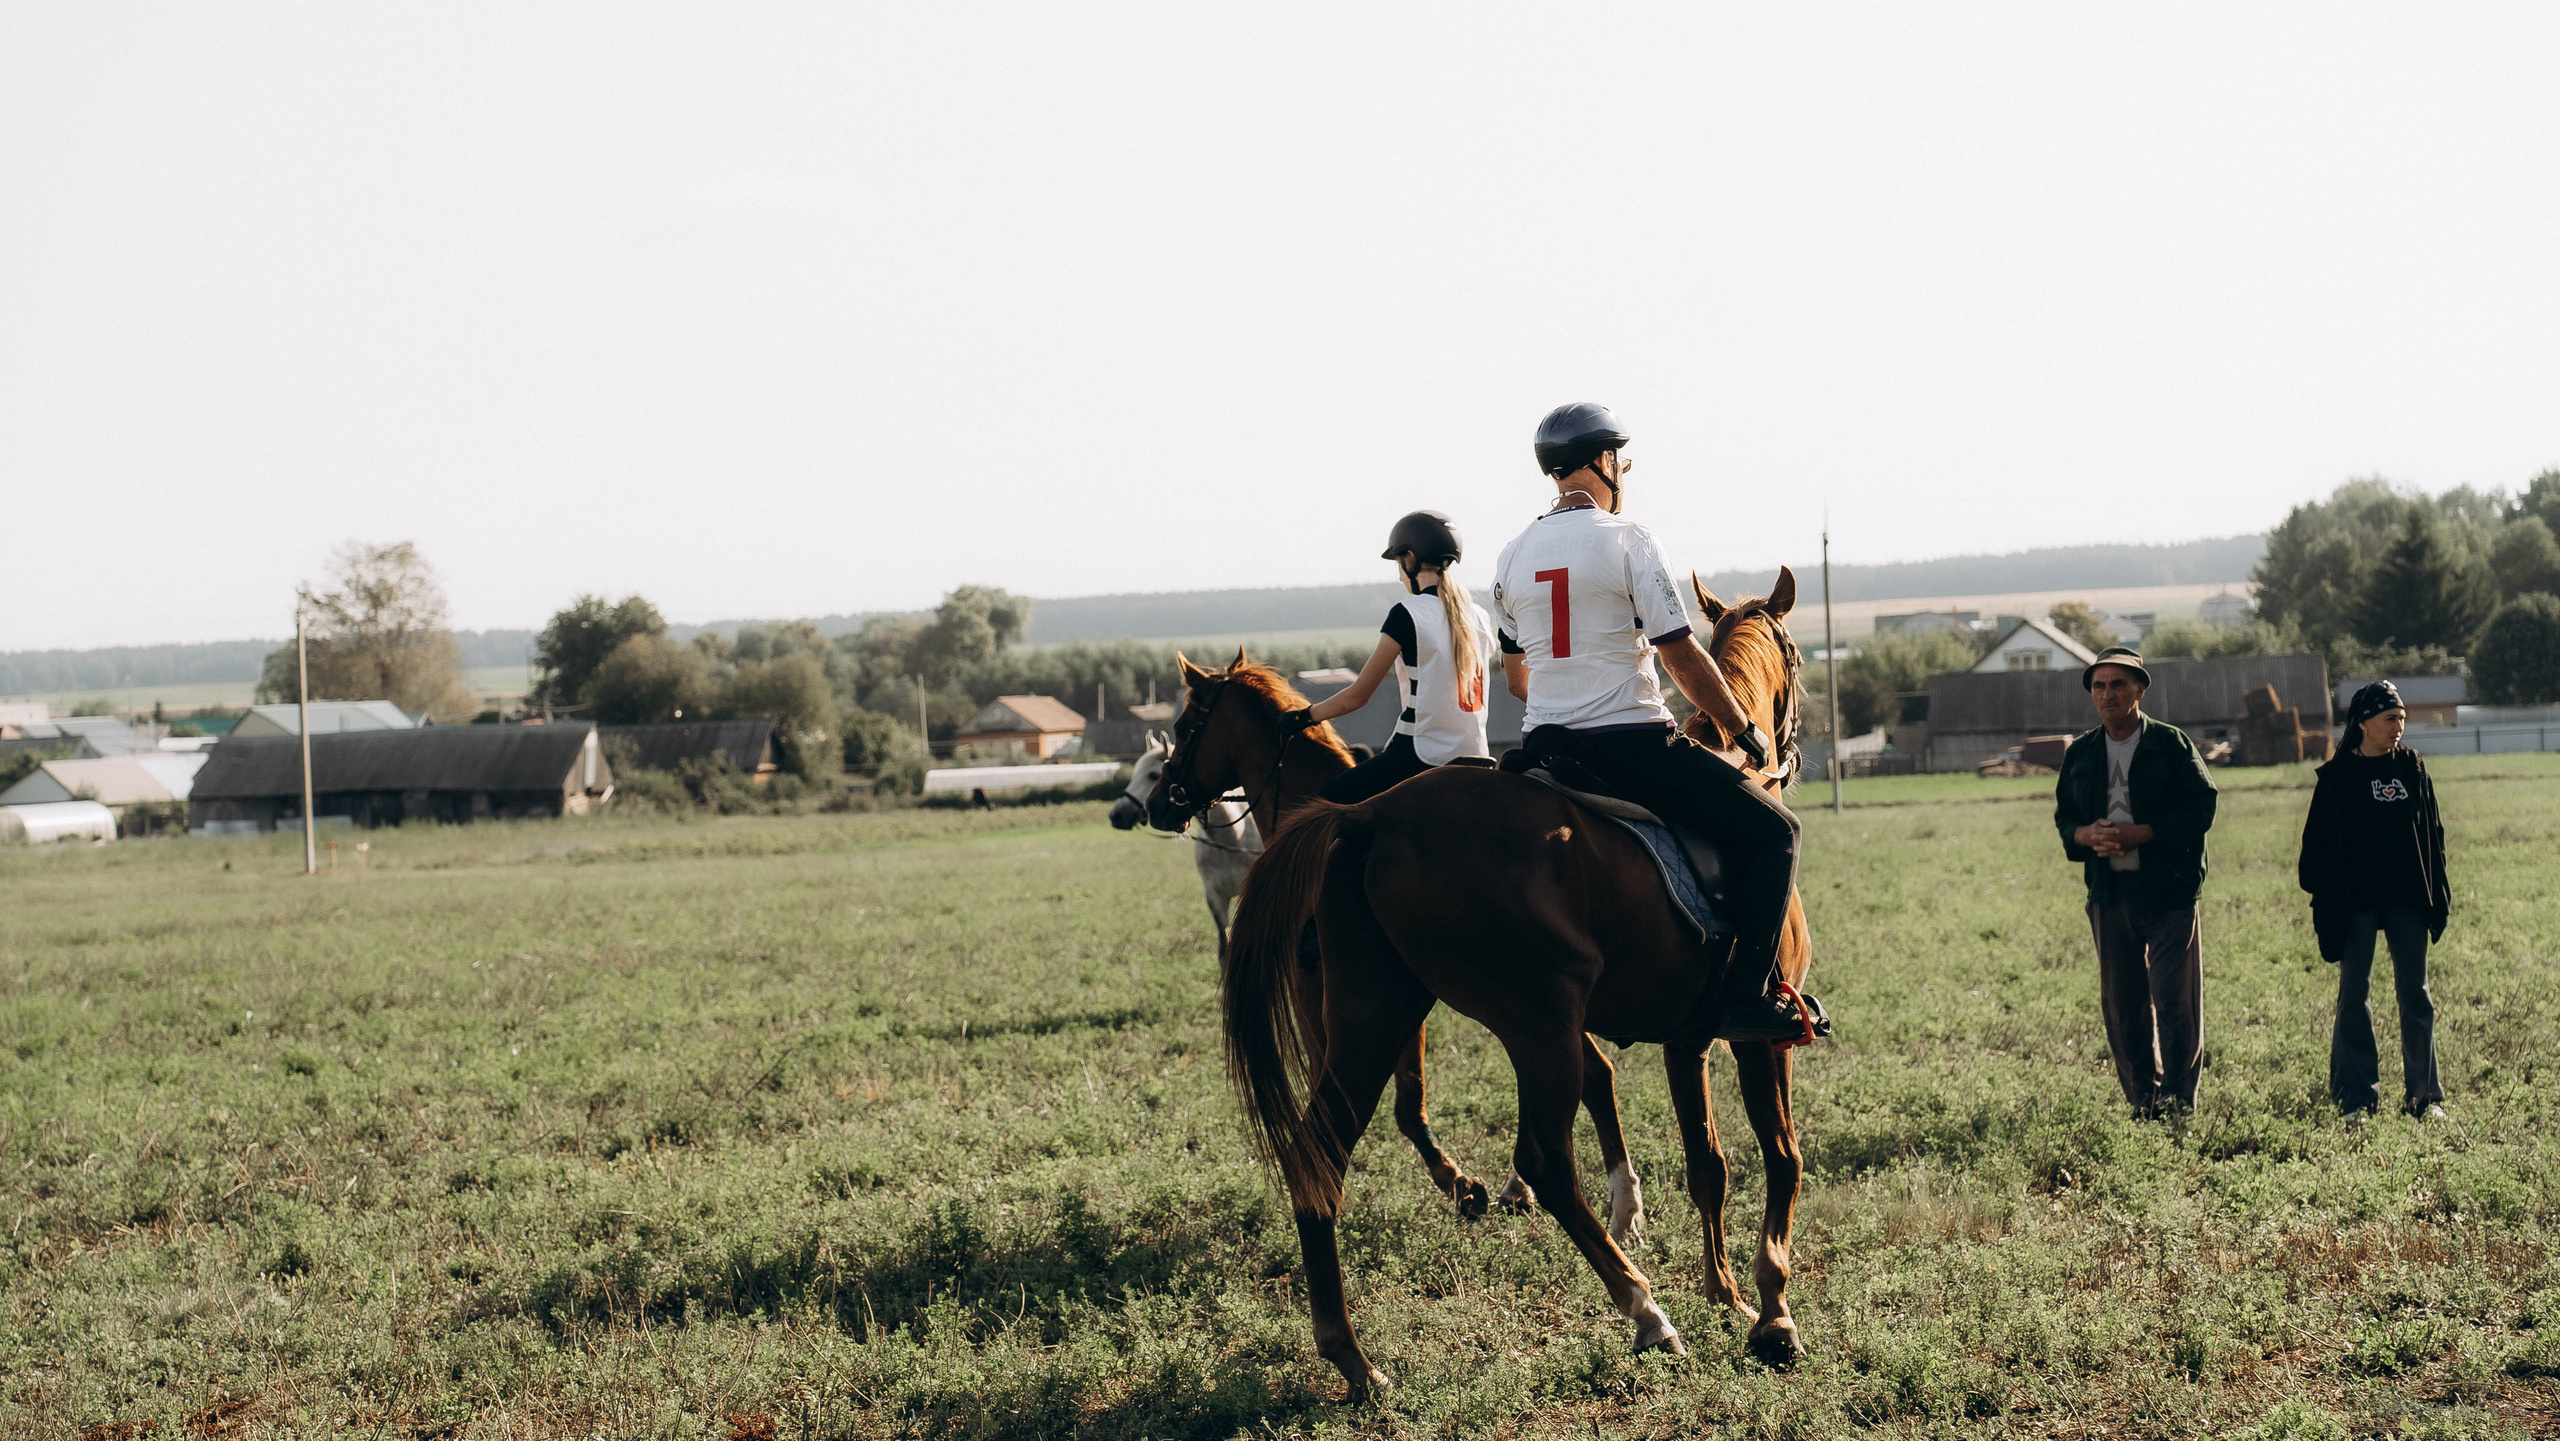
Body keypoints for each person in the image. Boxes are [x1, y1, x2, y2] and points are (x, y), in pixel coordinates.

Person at [1489, 402, 1804, 1043]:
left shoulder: (1510, 555)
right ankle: (1746, 1000)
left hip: (1544, 746)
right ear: (1604, 462)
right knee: (1777, 835)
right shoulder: (1629, 538)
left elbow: (1519, 681)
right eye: (1620, 461)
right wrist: (1740, 726)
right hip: (1629, 744)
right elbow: (1681, 656)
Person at [2053, 646, 2220, 1117]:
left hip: (2168, 893)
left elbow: (2201, 807)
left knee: (2174, 1000)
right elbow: (2065, 819)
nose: (2107, 693)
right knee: (2124, 1005)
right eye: (2099, 686)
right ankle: (2142, 1101)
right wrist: (2085, 835)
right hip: (2109, 895)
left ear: (2140, 690)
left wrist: (2142, 834)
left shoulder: (2171, 745)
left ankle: (2179, 1101)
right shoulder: (2082, 753)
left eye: (2118, 684)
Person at [2298, 681, 2450, 1119]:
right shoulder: (2338, 776)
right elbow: (2317, 845)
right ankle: (2356, 1099)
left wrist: (2437, 891)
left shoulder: (2412, 768)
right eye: (2390, 718)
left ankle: (2424, 1098)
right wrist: (2326, 895)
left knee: (2416, 994)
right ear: (2364, 722)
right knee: (2354, 992)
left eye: (2402, 718)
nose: (2398, 726)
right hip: (2356, 900)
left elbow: (2432, 833)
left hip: (2407, 898)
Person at [1282, 511, 1496, 802]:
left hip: (1419, 755)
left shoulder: (1408, 614)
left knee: (1314, 811)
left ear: (1410, 559)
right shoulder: (1481, 617)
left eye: (1398, 562)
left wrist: (1303, 717)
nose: (1399, 573)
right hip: (1477, 757)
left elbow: (1356, 696)